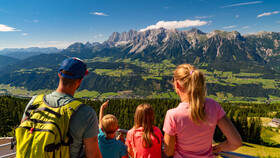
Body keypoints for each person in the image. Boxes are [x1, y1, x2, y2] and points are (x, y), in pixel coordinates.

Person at [20, 57, 102, 158]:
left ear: (59, 74)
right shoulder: (85, 113)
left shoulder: (34, 101)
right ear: (80, 80)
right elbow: (93, 155)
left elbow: (23, 133)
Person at [163, 64, 242, 158]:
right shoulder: (213, 105)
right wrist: (217, 148)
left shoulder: (173, 115)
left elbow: (168, 152)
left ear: (177, 84)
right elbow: (236, 142)